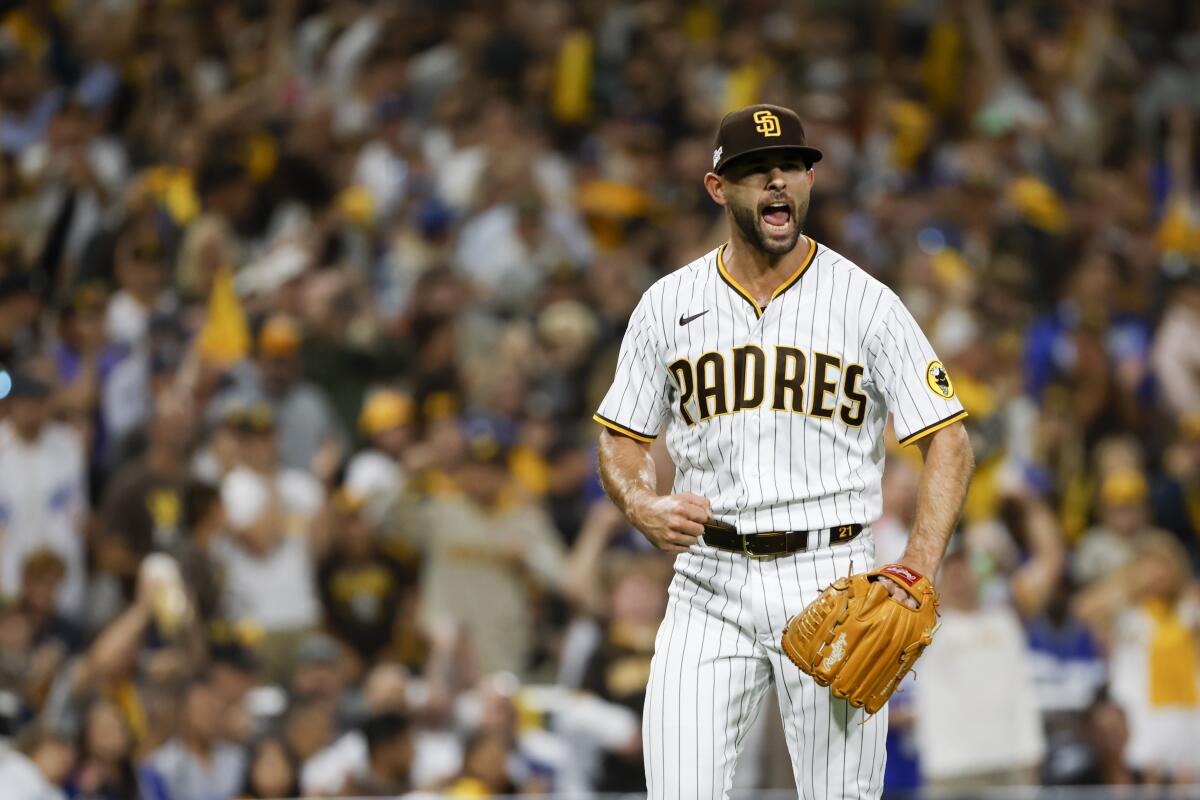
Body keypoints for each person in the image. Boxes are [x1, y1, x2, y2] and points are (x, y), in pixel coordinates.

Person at [592, 104, 975, 797]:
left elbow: (948, 438)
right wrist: (640, 502)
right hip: (708, 582)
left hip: (832, 578)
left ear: (808, 180)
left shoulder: (866, 302)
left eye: (792, 166)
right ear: (718, 188)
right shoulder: (666, 304)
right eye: (754, 170)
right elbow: (621, 438)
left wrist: (918, 569)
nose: (777, 181)